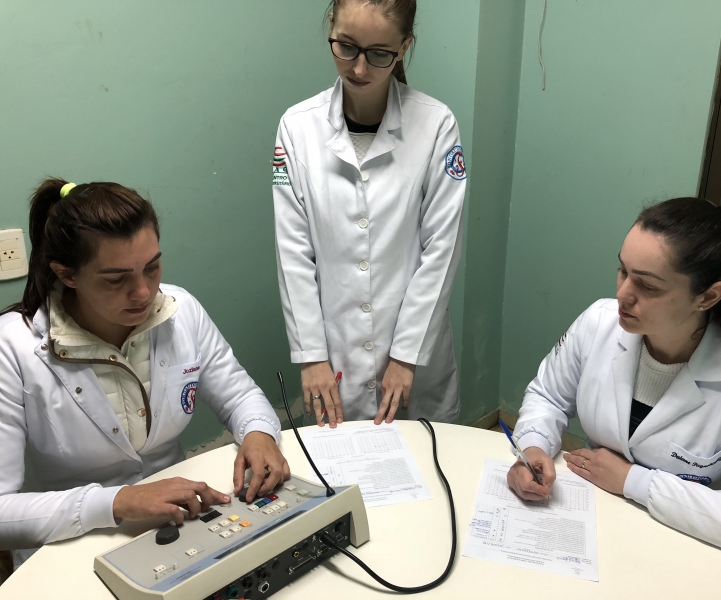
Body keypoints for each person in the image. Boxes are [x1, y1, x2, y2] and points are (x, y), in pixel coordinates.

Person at [0, 179, 290, 566]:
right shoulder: (12, 348)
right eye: (116, 279)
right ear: (67, 275)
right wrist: (117, 501)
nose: (143, 292)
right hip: (67, 547)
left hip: (181, 522)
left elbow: (240, 396)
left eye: (151, 268)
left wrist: (259, 433)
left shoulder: (181, 311)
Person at [506, 198, 721, 567]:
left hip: (686, 549)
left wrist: (633, 481)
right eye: (622, 271)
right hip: (591, 521)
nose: (622, 294)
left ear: (708, 296)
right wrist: (533, 446)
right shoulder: (599, 323)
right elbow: (549, 396)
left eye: (647, 285)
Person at [272, 0, 466, 427]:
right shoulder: (297, 128)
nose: (359, 68)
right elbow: (293, 252)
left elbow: (442, 250)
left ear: (404, 46)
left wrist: (406, 355)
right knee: (342, 465)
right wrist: (311, 355)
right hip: (334, 355)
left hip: (415, 360)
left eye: (379, 54)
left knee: (427, 461)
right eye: (346, 47)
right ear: (331, 27)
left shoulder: (436, 125)